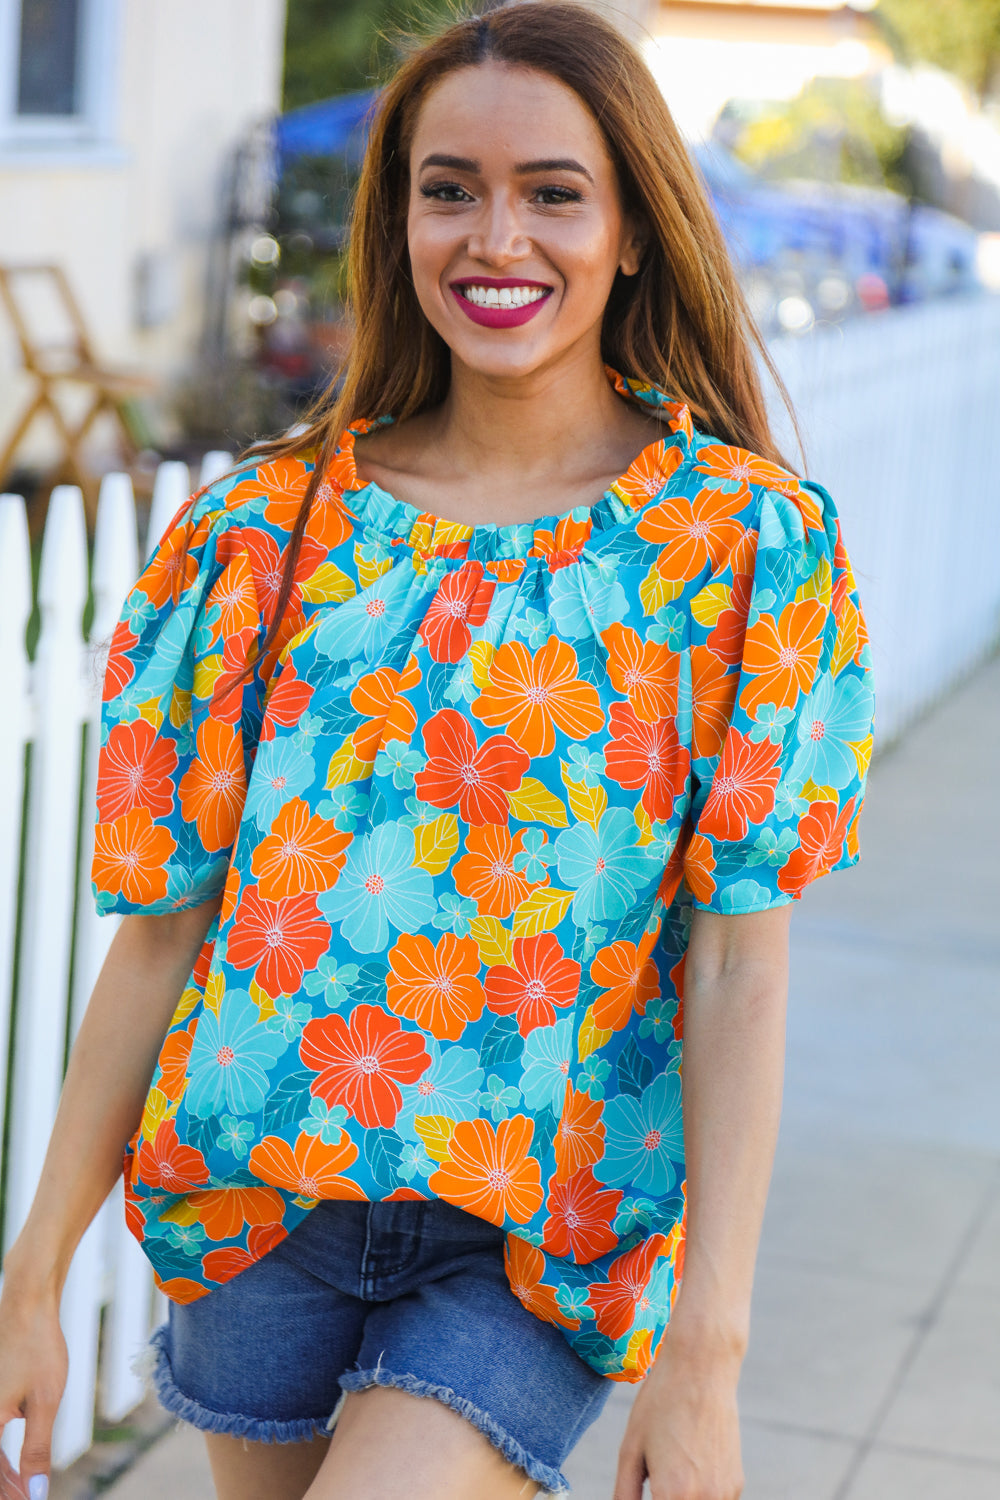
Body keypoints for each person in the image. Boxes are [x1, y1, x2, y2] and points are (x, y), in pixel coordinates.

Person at [0, 5, 875, 1498]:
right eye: (449, 189)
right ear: (397, 219)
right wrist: (31, 1281)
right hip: (259, 1214)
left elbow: (741, 964)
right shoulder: (255, 536)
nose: (495, 238)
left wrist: (707, 1351)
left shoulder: (743, 550)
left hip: (537, 1243)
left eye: (554, 192)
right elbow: (163, 932)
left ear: (635, 231)